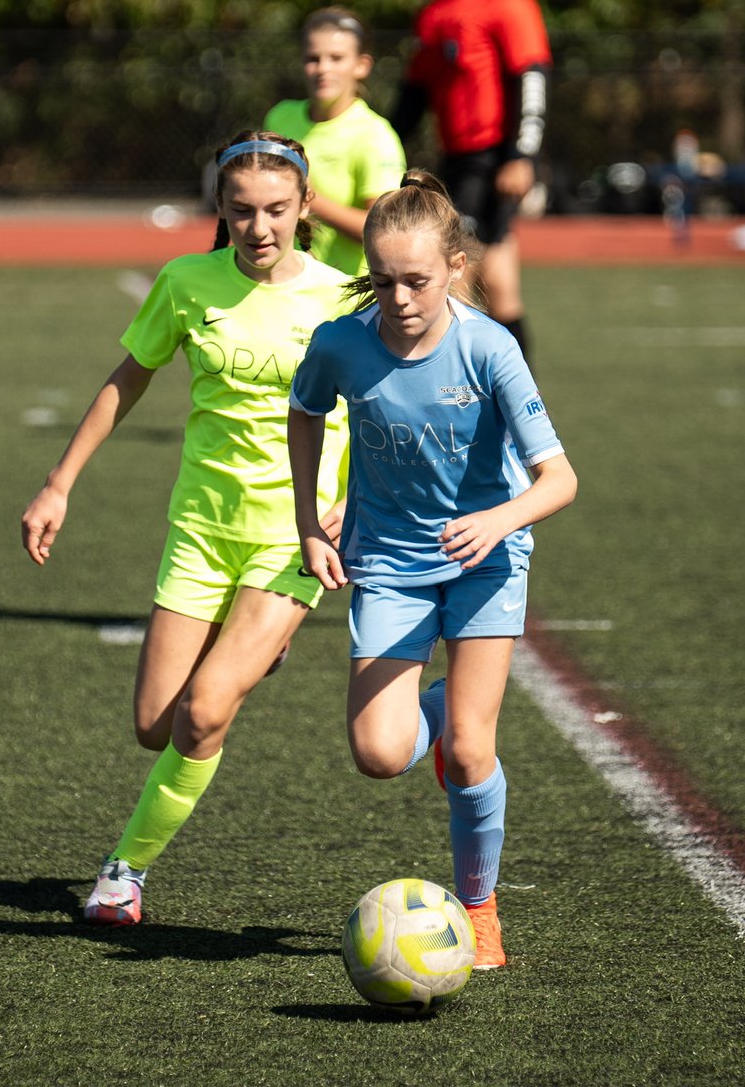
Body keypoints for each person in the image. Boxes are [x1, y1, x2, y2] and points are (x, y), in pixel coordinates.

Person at [21, 131, 351, 925]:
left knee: (204, 713)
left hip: (295, 539)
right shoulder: (184, 282)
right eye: (241, 212)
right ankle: (253, 653)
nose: (260, 227)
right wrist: (58, 483)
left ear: (306, 207)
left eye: (276, 209)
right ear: (221, 211)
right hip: (201, 529)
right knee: (154, 726)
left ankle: (124, 872)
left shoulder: (346, 298)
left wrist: (355, 503)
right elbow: (126, 381)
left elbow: (386, 409)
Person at [287, 170, 577, 968]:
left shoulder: (490, 347)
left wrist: (498, 518)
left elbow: (560, 479)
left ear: (454, 264)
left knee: (471, 755)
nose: (400, 298)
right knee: (379, 755)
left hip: (486, 562)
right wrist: (312, 523)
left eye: (416, 280)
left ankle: (479, 907)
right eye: (382, 282)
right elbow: (305, 410)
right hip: (386, 562)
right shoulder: (341, 343)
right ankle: (450, 706)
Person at [390, 0, 552, 362]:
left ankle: (497, 397)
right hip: (455, 162)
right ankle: (509, 401)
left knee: (457, 280)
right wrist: (382, 145)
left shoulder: (507, 2)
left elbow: (533, 81)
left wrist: (522, 156)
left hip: (493, 159)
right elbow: (413, 96)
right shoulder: (433, 14)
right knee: (496, 284)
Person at [264, 7, 406, 276]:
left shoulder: (375, 135)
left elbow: (386, 233)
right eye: (313, 58)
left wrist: (309, 200)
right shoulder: (280, 117)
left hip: (346, 296)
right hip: (283, 284)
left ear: (362, 65)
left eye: (336, 58)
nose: (323, 69)